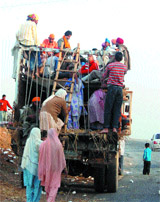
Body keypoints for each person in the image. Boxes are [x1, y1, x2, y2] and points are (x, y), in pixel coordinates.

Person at [100, 52, 127, 134]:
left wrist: (103, 81)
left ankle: (106, 128)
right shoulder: (124, 67)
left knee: (108, 108)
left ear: (114, 58)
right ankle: (115, 127)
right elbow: (123, 74)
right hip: (119, 89)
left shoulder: (110, 66)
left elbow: (104, 76)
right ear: (121, 59)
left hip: (111, 88)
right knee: (117, 109)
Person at [38, 128, 67, 202]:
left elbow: (40, 156)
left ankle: (49, 199)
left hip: (47, 168)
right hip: (56, 169)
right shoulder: (58, 145)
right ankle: (50, 200)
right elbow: (62, 157)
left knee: (48, 185)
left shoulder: (43, 144)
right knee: (54, 186)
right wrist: (64, 167)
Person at [21, 127, 42, 202]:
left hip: (27, 166)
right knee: (37, 186)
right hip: (36, 168)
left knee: (29, 186)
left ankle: (29, 200)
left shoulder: (28, 141)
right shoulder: (39, 143)